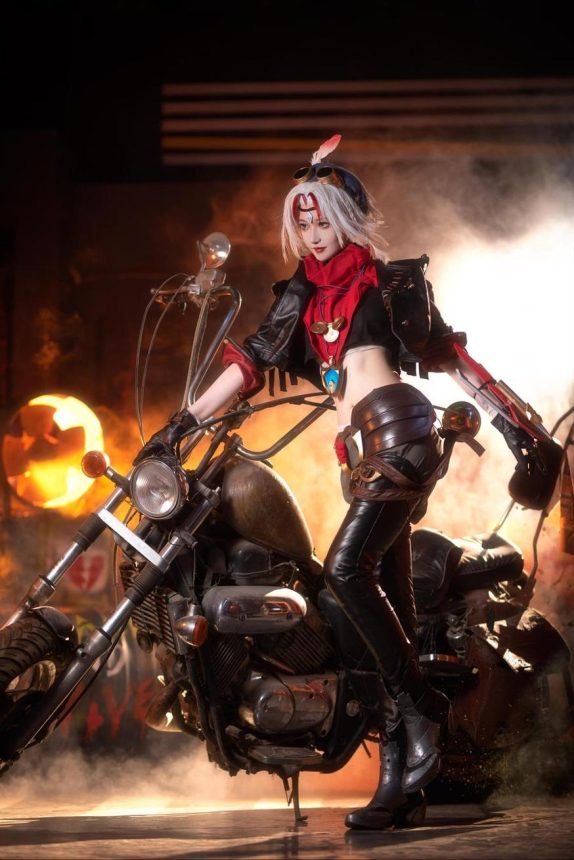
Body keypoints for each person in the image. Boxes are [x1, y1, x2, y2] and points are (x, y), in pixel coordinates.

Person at [137, 135, 561, 830]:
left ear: (347, 216)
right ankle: (402, 780)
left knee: (343, 570)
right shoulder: (302, 298)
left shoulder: (389, 285)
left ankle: (423, 707)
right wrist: (181, 424)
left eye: (322, 218)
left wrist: (517, 425)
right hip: (358, 454)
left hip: (401, 431)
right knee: (378, 614)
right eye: (300, 222)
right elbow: (248, 364)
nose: (312, 232)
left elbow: (453, 357)